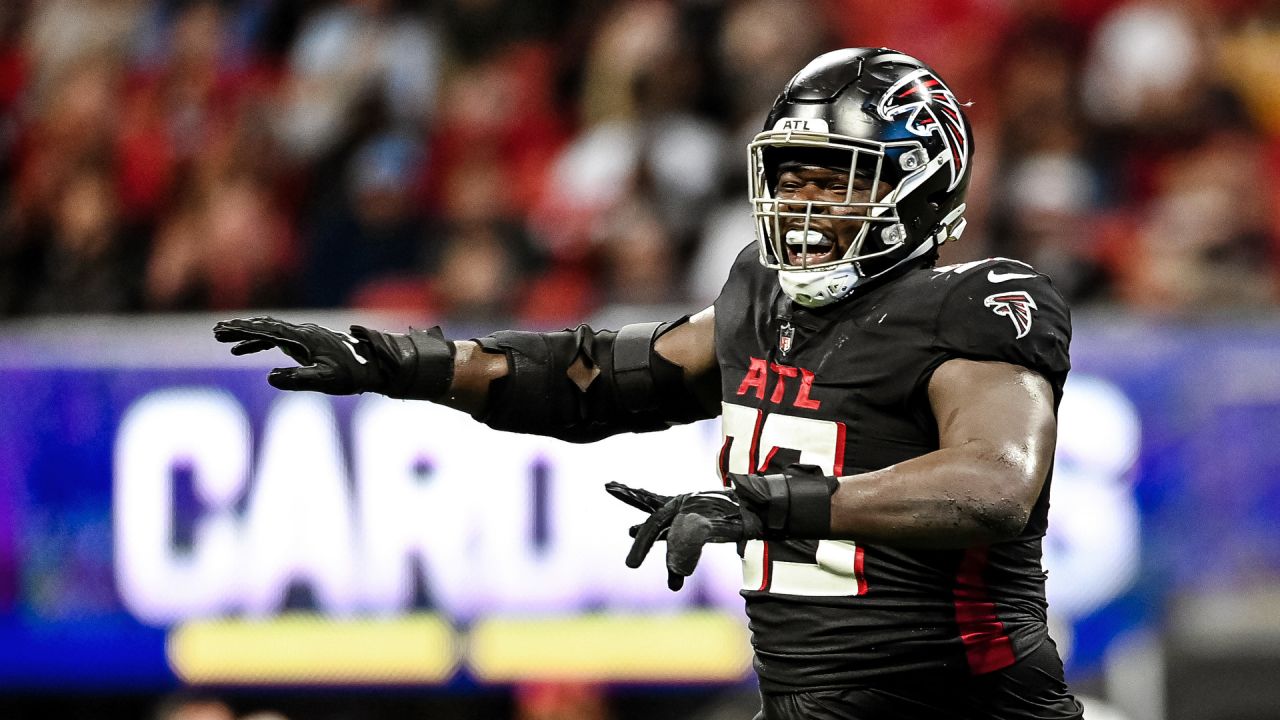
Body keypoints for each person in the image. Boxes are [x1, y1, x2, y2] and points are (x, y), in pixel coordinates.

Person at [214, 48, 1082, 720]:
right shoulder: (758, 297)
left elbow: (994, 485)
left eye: (835, 184)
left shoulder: (975, 307)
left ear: (918, 188)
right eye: (791, 181)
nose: (804, 208)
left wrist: (774, 504)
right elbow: (597, 378)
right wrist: (404, 364)